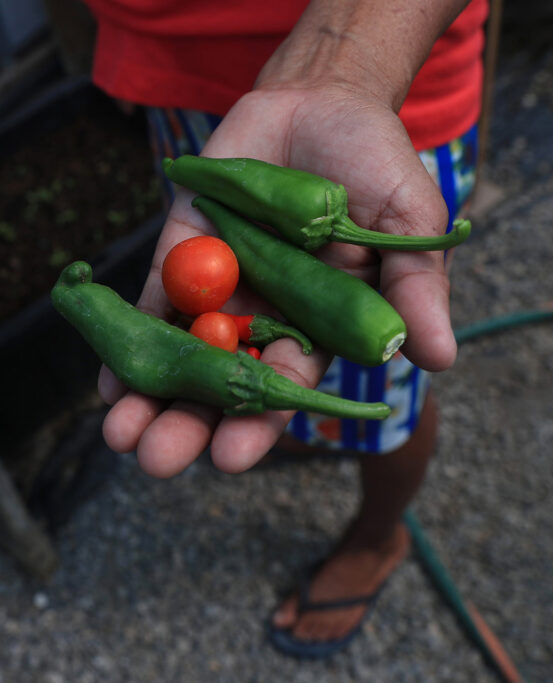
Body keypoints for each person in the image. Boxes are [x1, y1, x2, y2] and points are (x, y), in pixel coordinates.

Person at [81, 0, 489, 658]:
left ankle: (378, 536)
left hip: (384, 89)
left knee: (391, 391)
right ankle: (306, 431)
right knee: (208, 227)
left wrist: (341, 62)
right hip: (190, 87)